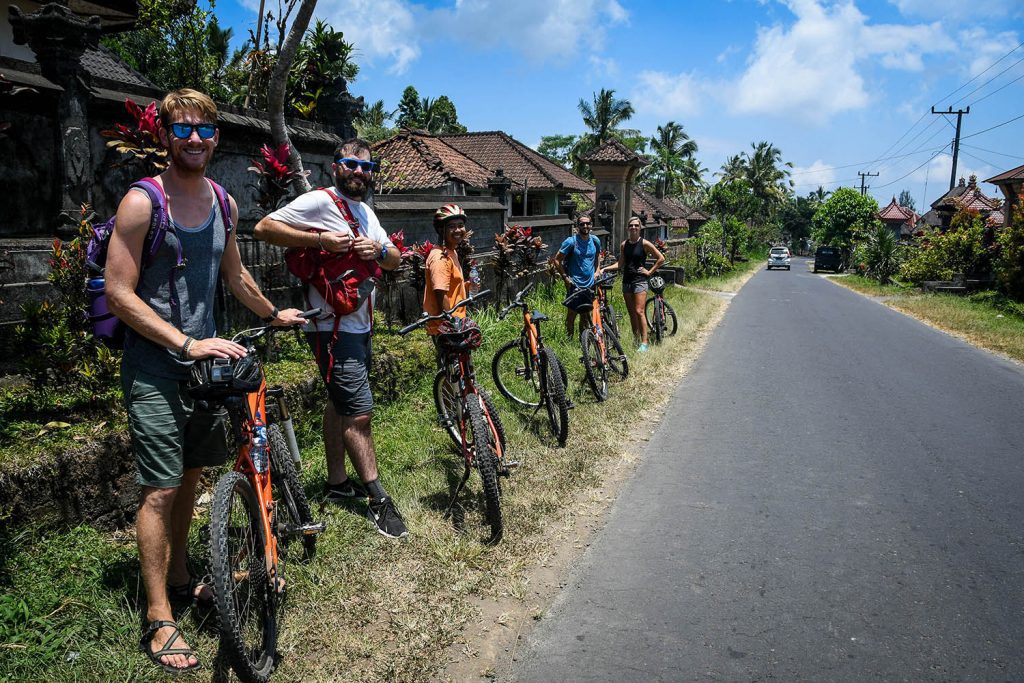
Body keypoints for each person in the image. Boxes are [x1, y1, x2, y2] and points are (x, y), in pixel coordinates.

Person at [105, 88, 306, 674]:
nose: (194, 140)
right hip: (156, 366)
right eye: (182, 130)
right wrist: (185, 342)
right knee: (161, 489)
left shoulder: (224, 202)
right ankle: (159, 616)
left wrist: (272, 313)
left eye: (204, 130)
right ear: (165, 135)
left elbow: (235, 274)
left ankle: (186, 574)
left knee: (192, 477)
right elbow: (119, 293)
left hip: (206, 370)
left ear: (216, 137)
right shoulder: (143, 203)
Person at [254, 138, 408, 540]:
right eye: (350, 164)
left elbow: (395, 259)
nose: (358, 172)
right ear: (335, 167)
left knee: (340, 405)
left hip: (360, 324)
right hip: (331, 328)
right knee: (359, 414)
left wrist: (377, 250)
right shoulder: (319, 201)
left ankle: (338, 483)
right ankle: (378, 499)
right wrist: (320, 240)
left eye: (365, 167)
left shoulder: (367, 212)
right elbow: (264, 227)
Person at [602, 216, 665, 351]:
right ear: (628, 228)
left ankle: (645, 342)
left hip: (640, 281)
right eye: (631, 225)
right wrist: (604, 268)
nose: (633, 228)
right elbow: (620, 264)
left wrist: (649, 272)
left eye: (636, 225)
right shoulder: (624, 245)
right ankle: (636, 339)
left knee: (639, 311)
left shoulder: (645, 243)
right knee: (632, 313)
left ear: (640, 228)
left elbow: (661, 258)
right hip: (627, 281)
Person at [553, 213, 603, 339]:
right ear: (577, 226)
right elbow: (557, 260)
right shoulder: (571, 242)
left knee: (585, 315)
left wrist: (597, 271)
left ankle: (583, 342)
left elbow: (598, 255)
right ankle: (569, 341)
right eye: (582, 224)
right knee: (571, 315)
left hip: (590, 284)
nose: (585, 226)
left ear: (591, 225)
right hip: (574, 284)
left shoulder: (595, 240)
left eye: (588, 223)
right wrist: (565, 278)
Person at [423, 204, 470, 338]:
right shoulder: (440, 258)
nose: (457, 230)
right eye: (451, 226)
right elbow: (440, 293)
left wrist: (467, 286)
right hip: (446, 328)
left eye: (460, 225)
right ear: (440, 230)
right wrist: (452, 324)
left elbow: (450, 288)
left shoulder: (451, 252)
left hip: (456, 322)